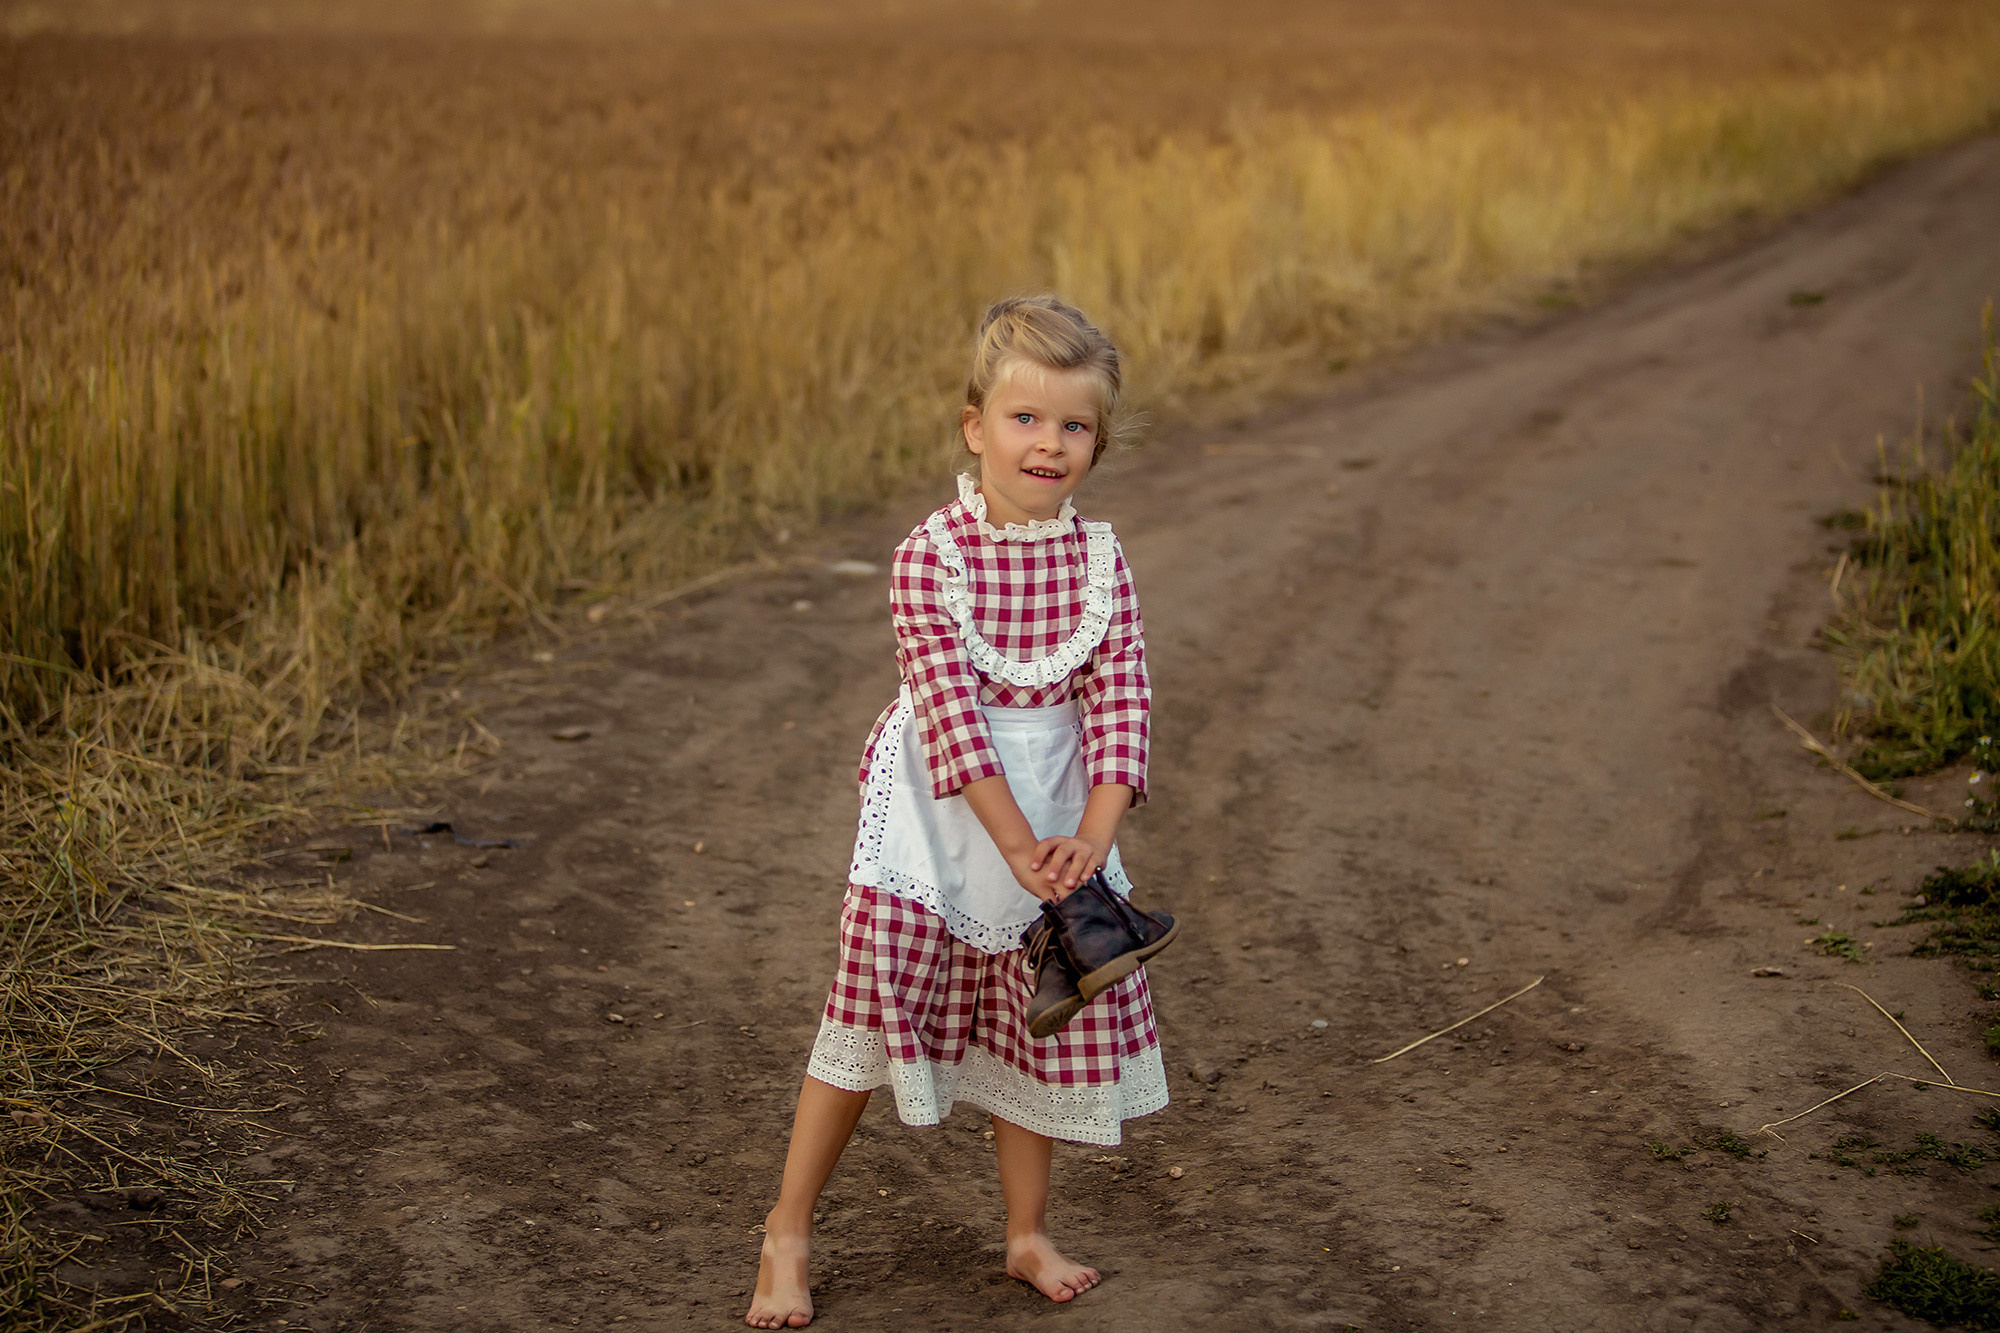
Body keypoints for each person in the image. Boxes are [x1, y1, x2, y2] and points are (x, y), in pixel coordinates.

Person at [746, 295, 1171, 1329]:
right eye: (1024, 419)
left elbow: (1120, 703)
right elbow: (945, 714)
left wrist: (1088, 845)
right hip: (943, 817)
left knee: (1033, 1012)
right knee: (865, 1007)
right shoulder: (928, 555)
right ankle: (786, 1230)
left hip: (1061, 813)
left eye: (1074, 425)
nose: (1048, 443)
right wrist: (1016, 844)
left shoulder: (1098, 561)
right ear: (974, 426)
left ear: (1096, 444)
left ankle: (1025, 1233)